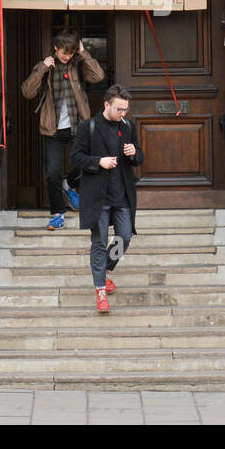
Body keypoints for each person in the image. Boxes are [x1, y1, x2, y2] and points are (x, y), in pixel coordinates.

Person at [20, 29, 105, 230]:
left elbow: (98, 76)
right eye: (64, 52)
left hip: (79, 126)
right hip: (53, 129)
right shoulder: (46, 67)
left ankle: (70, 183)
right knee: (52, 173)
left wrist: (83, 54)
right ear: (56, 49)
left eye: (72, 52)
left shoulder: (78, 64)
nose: (68, 56)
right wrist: (41, 68)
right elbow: (27, 91)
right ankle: (57, 214)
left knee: (88, 164)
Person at [69, 85, 144, 312]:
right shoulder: (88, 127)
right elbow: (75, 157)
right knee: (99, 243)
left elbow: (139, 158)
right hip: (98, 197)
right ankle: (100, 291)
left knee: (124, 237)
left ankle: (107, 270)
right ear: (106, 105)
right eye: (119, 109)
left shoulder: (128, 126)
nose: (123, 113)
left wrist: (134, 154)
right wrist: (98, 162)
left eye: (126, 109)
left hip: (122, 195)